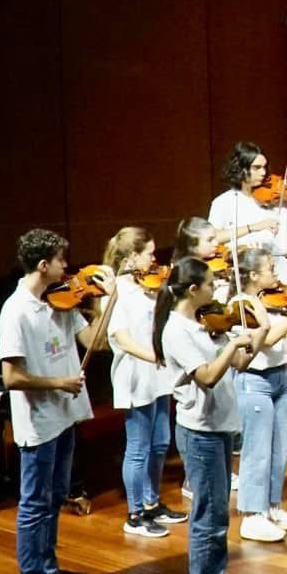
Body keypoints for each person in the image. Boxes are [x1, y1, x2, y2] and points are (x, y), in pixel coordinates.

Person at [0, 228, 117, 574]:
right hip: (39, 422)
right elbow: (11, 378)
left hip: (65, 417)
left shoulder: (61, 302)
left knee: (55, 496)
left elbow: (95, 341)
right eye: (62, 261)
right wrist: (59, 383)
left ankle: (48, 570)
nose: (68, 268)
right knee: (34, 504)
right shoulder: (15, 312)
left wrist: (106, 300)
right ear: (43, 265)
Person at [157, 256, 278, 574]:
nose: (216, 289)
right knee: (208, 516)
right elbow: (208, 376)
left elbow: (240, 363)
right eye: (211, 284)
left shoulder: (204, 323)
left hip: (219, 427)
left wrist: (259, 331)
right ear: (193, 289)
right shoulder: (177, 331)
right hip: (200, 431)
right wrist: (231, 343)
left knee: (219, 514)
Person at [102, 226, 184, 538]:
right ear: (132, 257)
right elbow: (122, 339)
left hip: (157, 374)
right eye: (149, 254)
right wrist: (157, 357)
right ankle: (135, 514)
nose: (154, 260)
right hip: (135, 374)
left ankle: (152, 502)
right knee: (138, 447)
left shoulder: (146, 287)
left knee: (160, 441)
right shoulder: (115, 293)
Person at [234, 247, 287, 544]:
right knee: (258, 449)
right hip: (255, 381)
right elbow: (264, 341)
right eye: (270, 269)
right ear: (254, 275)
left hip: (281, 376)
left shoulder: (274, 300)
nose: (277, 274)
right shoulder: (241, 305)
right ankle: (252, 515)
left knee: (281, 448)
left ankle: (272, 506)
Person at [208, 142, 287, 267]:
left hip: (278, 271)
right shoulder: (223, 202)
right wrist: (253, 227)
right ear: (241, 168)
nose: (263, 172)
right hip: (242, 270)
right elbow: (214, 238)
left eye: (264, 167)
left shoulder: (278, 200)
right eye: (257, 167)